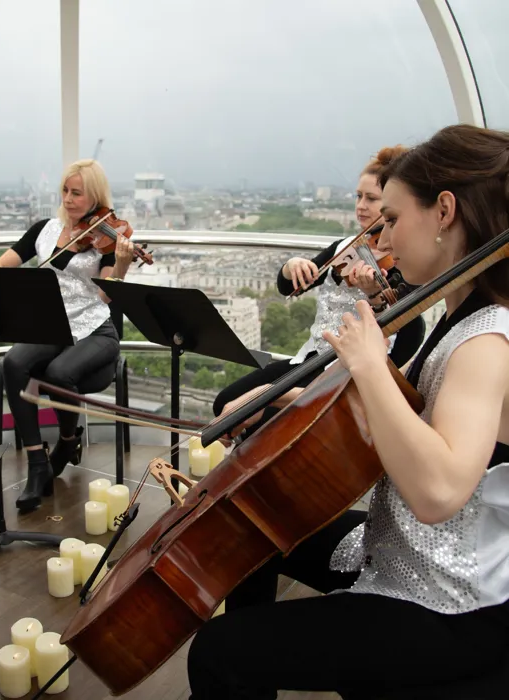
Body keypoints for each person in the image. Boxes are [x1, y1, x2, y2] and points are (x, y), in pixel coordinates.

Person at [187, 124, 509, 698]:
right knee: (254, 526)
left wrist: (366, 359)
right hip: (402, 548)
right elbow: (396, 407)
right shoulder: (457, 312)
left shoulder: (488, 342)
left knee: (218, 651)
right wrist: (273, 397)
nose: (382, 234)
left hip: (444, 602)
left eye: (391, 218)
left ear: (444, 212)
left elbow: (437, 492)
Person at [212, 146, 425, 440]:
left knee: (260, 421)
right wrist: (291, 267)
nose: (361, 206)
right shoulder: (344, 247)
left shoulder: (401, 261)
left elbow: (410, 334)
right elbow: (289, 286)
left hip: (344, 372)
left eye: (372, 199)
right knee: (225, 403)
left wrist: (376, 296)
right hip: (311, 358)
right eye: (358, 197)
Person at [0, 159, 134, 512]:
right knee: (13, 362)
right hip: (52, 326)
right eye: (65, 192)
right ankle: (38, 465)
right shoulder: (44, 230)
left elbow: (104, 296)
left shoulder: (104, 239)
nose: (68, 200)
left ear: (94, 197)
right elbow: (0, 267)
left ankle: (68, 442)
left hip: (95, 329)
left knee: (58, 374)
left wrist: (124, 264)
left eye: (77, 193)